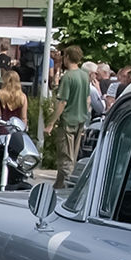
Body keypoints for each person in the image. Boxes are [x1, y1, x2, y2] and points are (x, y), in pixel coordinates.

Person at [51, 46, 89, 188]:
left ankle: (70, 189)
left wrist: (51, 123)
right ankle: (58, 186)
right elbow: (87, 99)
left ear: (67, 57)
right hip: (80, 120)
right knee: (72, 155)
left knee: (66, 158)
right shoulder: (85, 75)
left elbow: (62, 102)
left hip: (68, 121)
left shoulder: (68, 76)